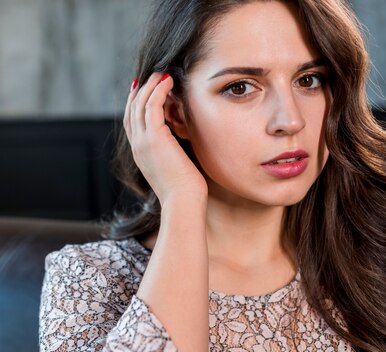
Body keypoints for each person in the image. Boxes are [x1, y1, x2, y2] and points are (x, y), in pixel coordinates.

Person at [39, 0, 386, 351]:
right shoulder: (88, 278)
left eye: (309, 80)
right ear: (173, 112)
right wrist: (182, 198)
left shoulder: (372, 257)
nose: (291, 120)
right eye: (240, 87)